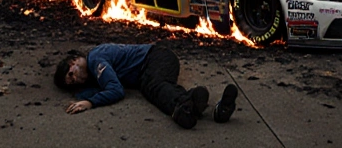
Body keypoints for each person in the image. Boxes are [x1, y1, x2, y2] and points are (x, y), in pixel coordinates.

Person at [54, 43, 237, 129]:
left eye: (72, 74)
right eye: (72, 83)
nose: (76, 79)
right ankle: (211, 109)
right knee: (156, 87)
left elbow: (116, 90)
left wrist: (90, 102)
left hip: (155, 57)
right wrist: (81, 96)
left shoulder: (96, 59)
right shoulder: (94, 70)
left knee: (153, 86)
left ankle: (181, 109)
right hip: (151, 66)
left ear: (75, 60)